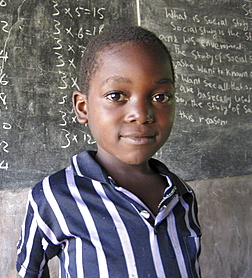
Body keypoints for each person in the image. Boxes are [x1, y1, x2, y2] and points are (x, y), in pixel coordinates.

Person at [16, 25, 201, 278]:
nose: (141, 114)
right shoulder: (54, 196)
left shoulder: (180, 195)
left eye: (160, 97)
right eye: (116, 96)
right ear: (83, 107)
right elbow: (29, 272)